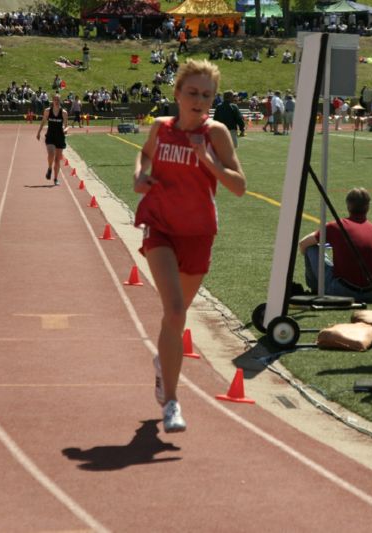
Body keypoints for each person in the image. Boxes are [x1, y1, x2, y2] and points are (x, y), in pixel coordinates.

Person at [132, 59, 246, 433]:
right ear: (177, 94)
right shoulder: (161, 128)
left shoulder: (217, 133)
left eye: (207, 94)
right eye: (193, 93)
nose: (200, 101)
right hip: (160, 227)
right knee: (176, 311)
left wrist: (208, 160)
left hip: (198, 234)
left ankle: (163, 364)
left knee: (172, 319)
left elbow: (238, 186)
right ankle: (173, 402)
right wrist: (140, 175)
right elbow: (145, 153)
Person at [298, 188, 372, 303]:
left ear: (348, 206)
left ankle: (315, 289)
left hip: (343, 291)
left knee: (311, 248)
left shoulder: (336, 226)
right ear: (368, 207)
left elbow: (303, 243)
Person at [36, 92, 68, 185]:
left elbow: (67, 125)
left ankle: (56, 179)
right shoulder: (47, 111)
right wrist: (38, 132)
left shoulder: (64, 112)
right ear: (52, 101)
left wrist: (65, 129)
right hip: (50, 136)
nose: (57, 101)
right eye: (55, 100)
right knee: (51, 154)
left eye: (58, 100)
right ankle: (49, 168)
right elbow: (43, 122)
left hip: (60, 137)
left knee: (58, 160)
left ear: (60, 101)